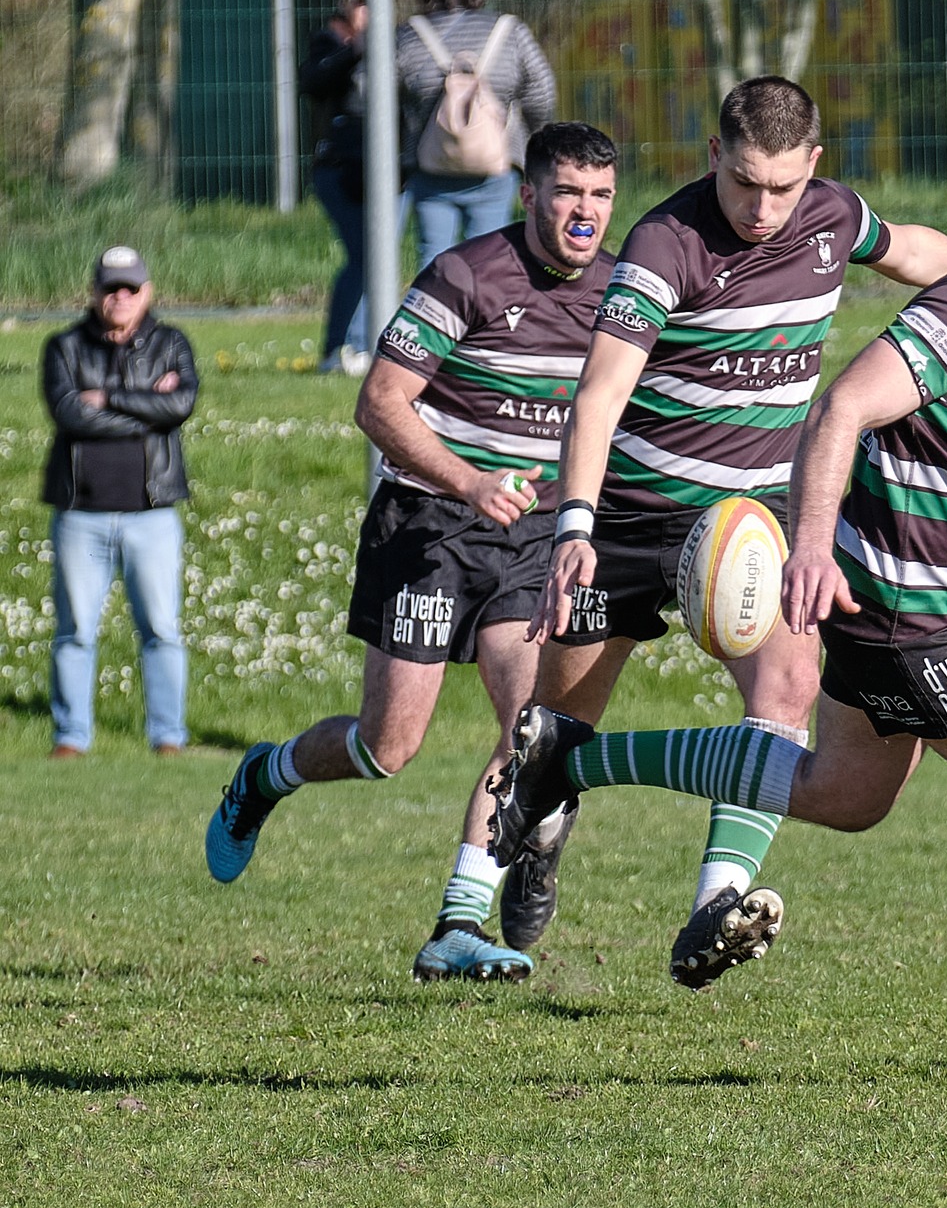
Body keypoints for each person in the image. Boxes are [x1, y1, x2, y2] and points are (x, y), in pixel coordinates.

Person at [492, 102, 947, 1084]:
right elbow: (844, 405)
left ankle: (570, 766)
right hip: (909, 618)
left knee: (843, 796)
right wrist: (808, 547)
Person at [508, 76, 947, 989]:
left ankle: (715, 905)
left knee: (790, 683)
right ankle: (545, 818)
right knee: (560, 722)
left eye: (783, 188)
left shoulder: (833, 216)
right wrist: (573, 523)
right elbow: (597, 396)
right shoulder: (664, 244)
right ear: (714, 155)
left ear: (814, 166)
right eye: (744, 183)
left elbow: (915, 249)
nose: (763, 209)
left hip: (751, 516)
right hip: (631, 518)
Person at [203, 123, 621, 984]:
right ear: (529, 193)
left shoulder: (620, 294)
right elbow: (381, 403)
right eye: (570, 193)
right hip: (428, 527)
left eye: (602, 196)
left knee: (530, 730)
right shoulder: (466, 274)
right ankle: (264, 776)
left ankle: (458, 923)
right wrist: (470, 482)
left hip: (532, 538)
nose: (586, 213)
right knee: (386, 747)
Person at [40, 246, 198, 759]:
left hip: (152, 514)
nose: (121, 297)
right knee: (76, 630)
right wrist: (148, 404)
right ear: (95, 292)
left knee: (161, 629)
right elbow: (69, 415)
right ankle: (70, 738)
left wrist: (106, 397)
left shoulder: (172, 343)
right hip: (79, 515)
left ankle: (168, 737)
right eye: (112, 288)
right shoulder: (63, 347)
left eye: (131, 288)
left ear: (147, 291)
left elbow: (181, 406)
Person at [396, 0, 556, 269]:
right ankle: (484, 320)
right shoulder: (509, 32)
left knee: (434, 258)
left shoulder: (408, 37)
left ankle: (434, 317)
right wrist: (530, 137)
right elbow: (543, 92)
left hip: (430, 167)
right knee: (488, 259)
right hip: (494, 166)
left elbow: (375, 96)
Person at [300, 0, 371, 376]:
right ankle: (338, 347)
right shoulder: (328, 42)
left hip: (379, 169)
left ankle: (360, 343)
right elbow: (314, 81)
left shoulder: (391, 43)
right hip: (338, 169)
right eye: (361, 2)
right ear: (345, 4)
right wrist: (353, 50)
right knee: (362, 255)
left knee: (372, 257)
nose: (368, 11)